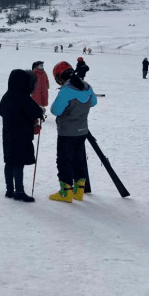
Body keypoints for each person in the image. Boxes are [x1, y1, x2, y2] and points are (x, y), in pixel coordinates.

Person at [49, 61, 97, 203]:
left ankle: (66, 192)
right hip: (82, 130)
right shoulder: (86, 86)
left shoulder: (66, 90)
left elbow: (55, 110)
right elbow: (93, 102)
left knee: (64, 161)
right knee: (79, 159)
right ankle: (79, 191)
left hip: (66, 133)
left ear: (59, 77)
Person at [0, 69, 44, 202]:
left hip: (8, 134)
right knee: (19, 163)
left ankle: (9, 190)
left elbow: (1, 111)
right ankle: (19, 191)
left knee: (9, 162)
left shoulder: (7, 96)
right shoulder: (23, 97)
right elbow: (35, 111)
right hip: (22, 135)